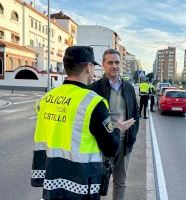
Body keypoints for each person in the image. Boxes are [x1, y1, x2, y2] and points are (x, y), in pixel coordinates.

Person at [31, 46, 135, 200]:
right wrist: (118, 129)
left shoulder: (45, 99)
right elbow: (110, 147)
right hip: (80, 182)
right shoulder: (92, 102)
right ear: (88, 67)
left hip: (52, 177)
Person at [90, 49, 139, 200]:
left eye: (117, 62)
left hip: (124, 144)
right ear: (103, 65)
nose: (114, 66)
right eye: (110, 62)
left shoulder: (129, 88)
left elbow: (135, 113)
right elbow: (90, 118)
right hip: (103, 144)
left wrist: (132, 136)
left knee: (121, 183)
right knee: (97, 182)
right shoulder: (95, 88)